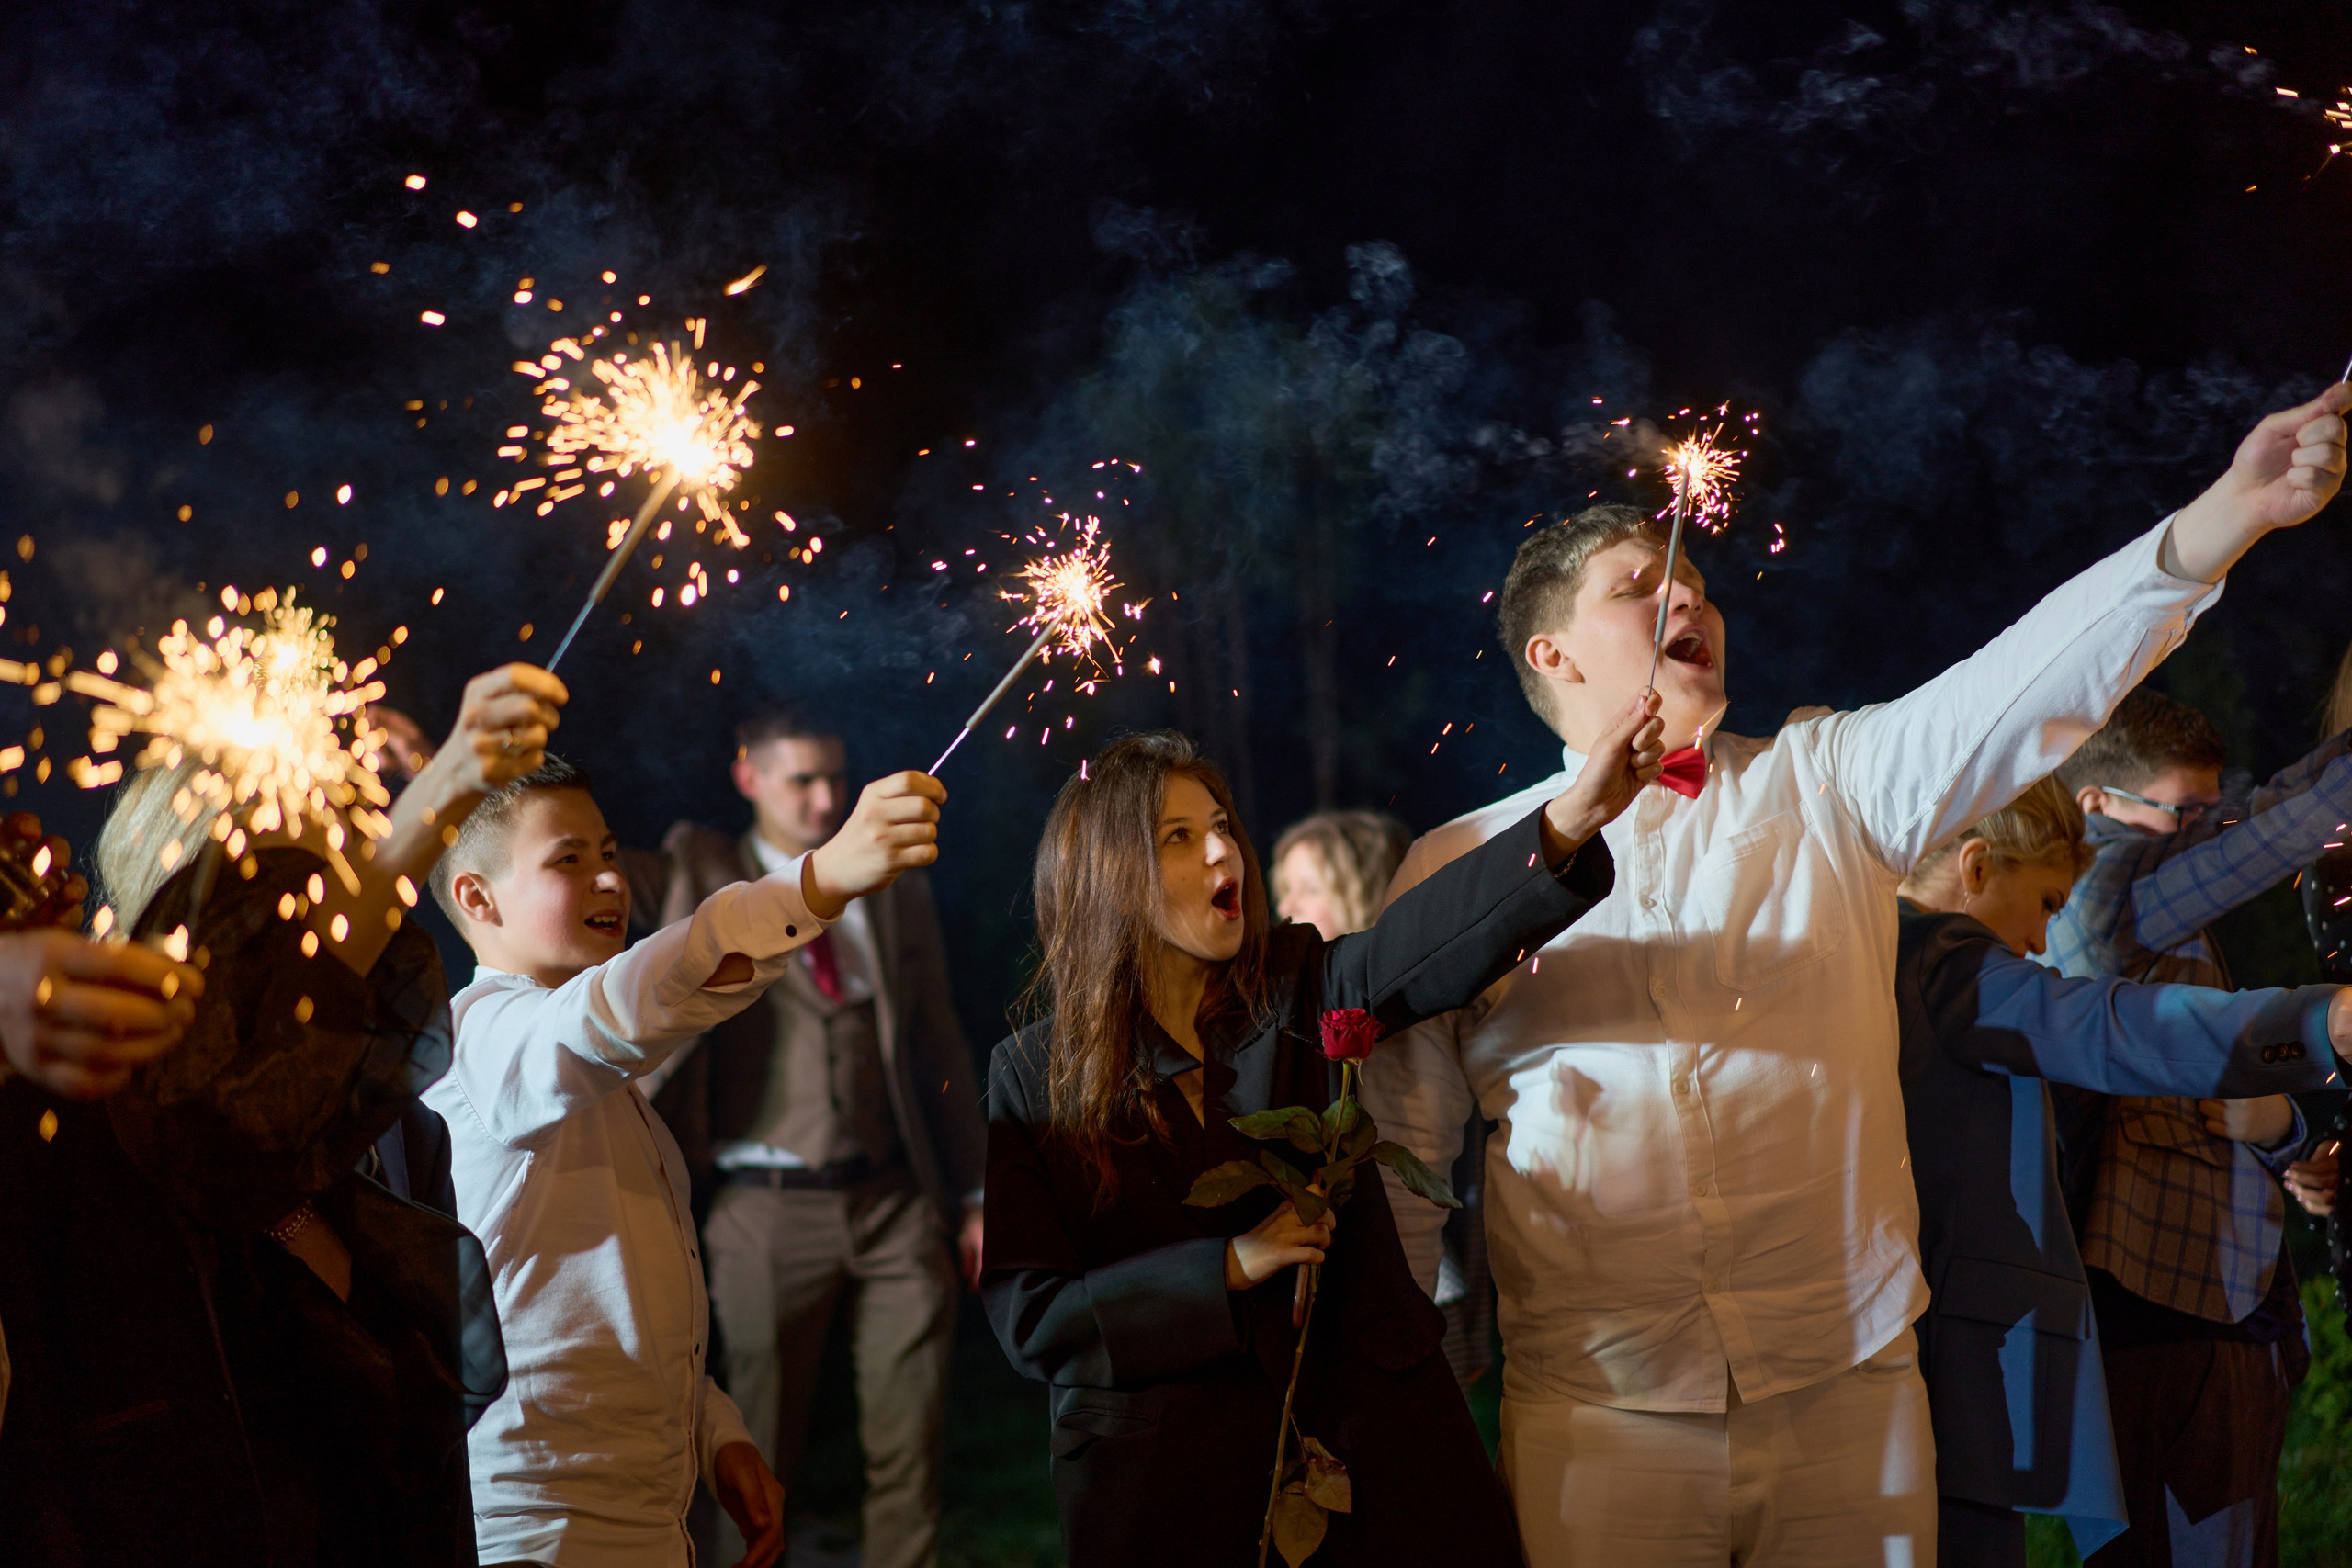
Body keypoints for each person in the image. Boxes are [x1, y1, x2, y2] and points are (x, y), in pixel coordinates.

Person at [1360, 385, 2351, 1566]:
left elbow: (2021, 690)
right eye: (1638, 590)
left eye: (1696, 588)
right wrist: (1386, 1403)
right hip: (1599, 1411)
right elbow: (1404, 1158)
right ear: (1551, 652)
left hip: (1849, 1396)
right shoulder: (1459, 864)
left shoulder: (1826, 782)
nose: (1687, 596)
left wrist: (2225, 515)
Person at [983, 705, 1662, 1566]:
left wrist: (1569, 821)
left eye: (1222, 827)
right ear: (1104, 876)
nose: (1224, 853)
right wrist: (1227, 1265)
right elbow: (1033, 1317)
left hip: (1382, 1464)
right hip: (1177, 1489)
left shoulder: (1298, 983)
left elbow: (1430, 941)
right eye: (1179, 838)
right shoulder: (1033, 1075)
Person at [0, 661, 561, 1568]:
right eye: (284, 903)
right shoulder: (84, 1119)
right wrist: (449, 785)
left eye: (352, 896)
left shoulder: (403, 1140)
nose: (342, 935)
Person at [420, 748, 946, 1568]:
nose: (608, 880)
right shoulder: (484, 1042)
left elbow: (616, 1315)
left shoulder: (606, 1091)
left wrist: (716, 1435)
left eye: (606, 853)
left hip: (645, 1524)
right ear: (476, 897)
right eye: (568, 860)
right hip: (539, 1529)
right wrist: (817, 883)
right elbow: (620, 1005)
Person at [1893, 776, 2352, 1565]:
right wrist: (2321, 1020)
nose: (2041, 943)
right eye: (2042, 902)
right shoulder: (1945, 960)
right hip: (1956, 1381)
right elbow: (2116, 1025)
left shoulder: (1855, 955)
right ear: (1973, 868)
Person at [650, 709, 985, 1568]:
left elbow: (936, 1032)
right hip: (762, 1209)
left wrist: (975, 1191)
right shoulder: (706, 870)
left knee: (911, 1455)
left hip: (893, 1200)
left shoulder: (894, 885)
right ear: (748, 777)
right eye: (802, 779)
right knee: (749, 1459)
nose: (826, 797)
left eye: (834, 777)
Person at [2044, 685, 2352, 1567]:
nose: (2203, 834)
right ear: (2096, 805)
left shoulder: (2162, 895)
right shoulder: (2104, 898)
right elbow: (2278, 833)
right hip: (2157, 1303)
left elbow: (2232, 1080)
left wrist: (2284, 1132)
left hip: (2225, 1297)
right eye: (2184, 813)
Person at [1273, 808, 1498, 1389]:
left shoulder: (1408, 1012)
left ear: (1366, 894)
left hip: (1409, 1274)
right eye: (1284, 891)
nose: (1286, 909)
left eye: (1309, 889)